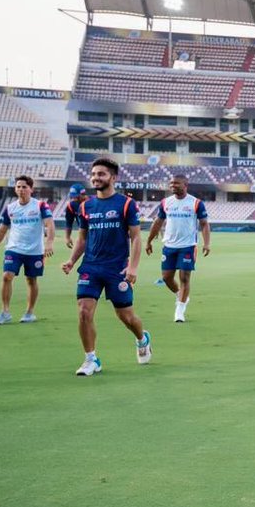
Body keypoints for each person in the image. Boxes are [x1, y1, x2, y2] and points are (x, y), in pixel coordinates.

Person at [61, 158, 152, 376]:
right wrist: (72, 261)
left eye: (101, 174)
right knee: (84, 311)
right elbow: (83, 238)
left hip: (117, 270)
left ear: (113, 177)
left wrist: (133, 266)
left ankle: (142, 338)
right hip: (90, 267)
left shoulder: (126, 204)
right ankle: (91, 359)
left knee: (126, 318)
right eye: (93, 174)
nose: (96, 178)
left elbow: (136, 238)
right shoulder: (85, 206)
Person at [0, 175, 54, 324]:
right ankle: (5, 312)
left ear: (31, 189)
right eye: (18, 187)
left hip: (35, 251)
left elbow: (49, 224)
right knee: (7, 276)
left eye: (24, 187)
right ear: (15, 189)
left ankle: (29, 312)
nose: (21, 189)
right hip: (14, 249)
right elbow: (2, 230)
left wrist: (49, 242)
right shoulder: (10, 208)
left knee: (31, 280)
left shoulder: (40, 205)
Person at [145, 174, 211, 323]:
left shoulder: (196, 203)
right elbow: (158, 222)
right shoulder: (165, 202)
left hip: (187, 246)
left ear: (185, 185)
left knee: (184, 278)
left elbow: (204, 224)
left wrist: (207, 243)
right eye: (171, 183)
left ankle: (179, 310)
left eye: (176, 183)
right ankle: (181, 296)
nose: (173, 185)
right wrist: (149, 240)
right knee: (167, 277)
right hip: (169, 246)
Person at [63, 183, 87, 249]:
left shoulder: (93, 202)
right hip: (83, 235)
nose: (74, 199)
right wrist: (67, 237)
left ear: (83, 194)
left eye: (76, 196)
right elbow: (69, 222)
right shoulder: (71, 206)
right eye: (72, 196)